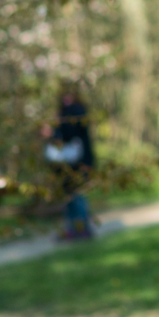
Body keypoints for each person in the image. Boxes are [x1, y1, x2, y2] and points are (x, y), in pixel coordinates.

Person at [41, 85, 96, 240]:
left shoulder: (75, 112)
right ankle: (74, 229)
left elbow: (70, 134)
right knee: (70, 197)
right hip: (68, 164)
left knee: (76, 195)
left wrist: (54, 129)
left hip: (77, 164)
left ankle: (81, 229)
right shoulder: (65, 113)